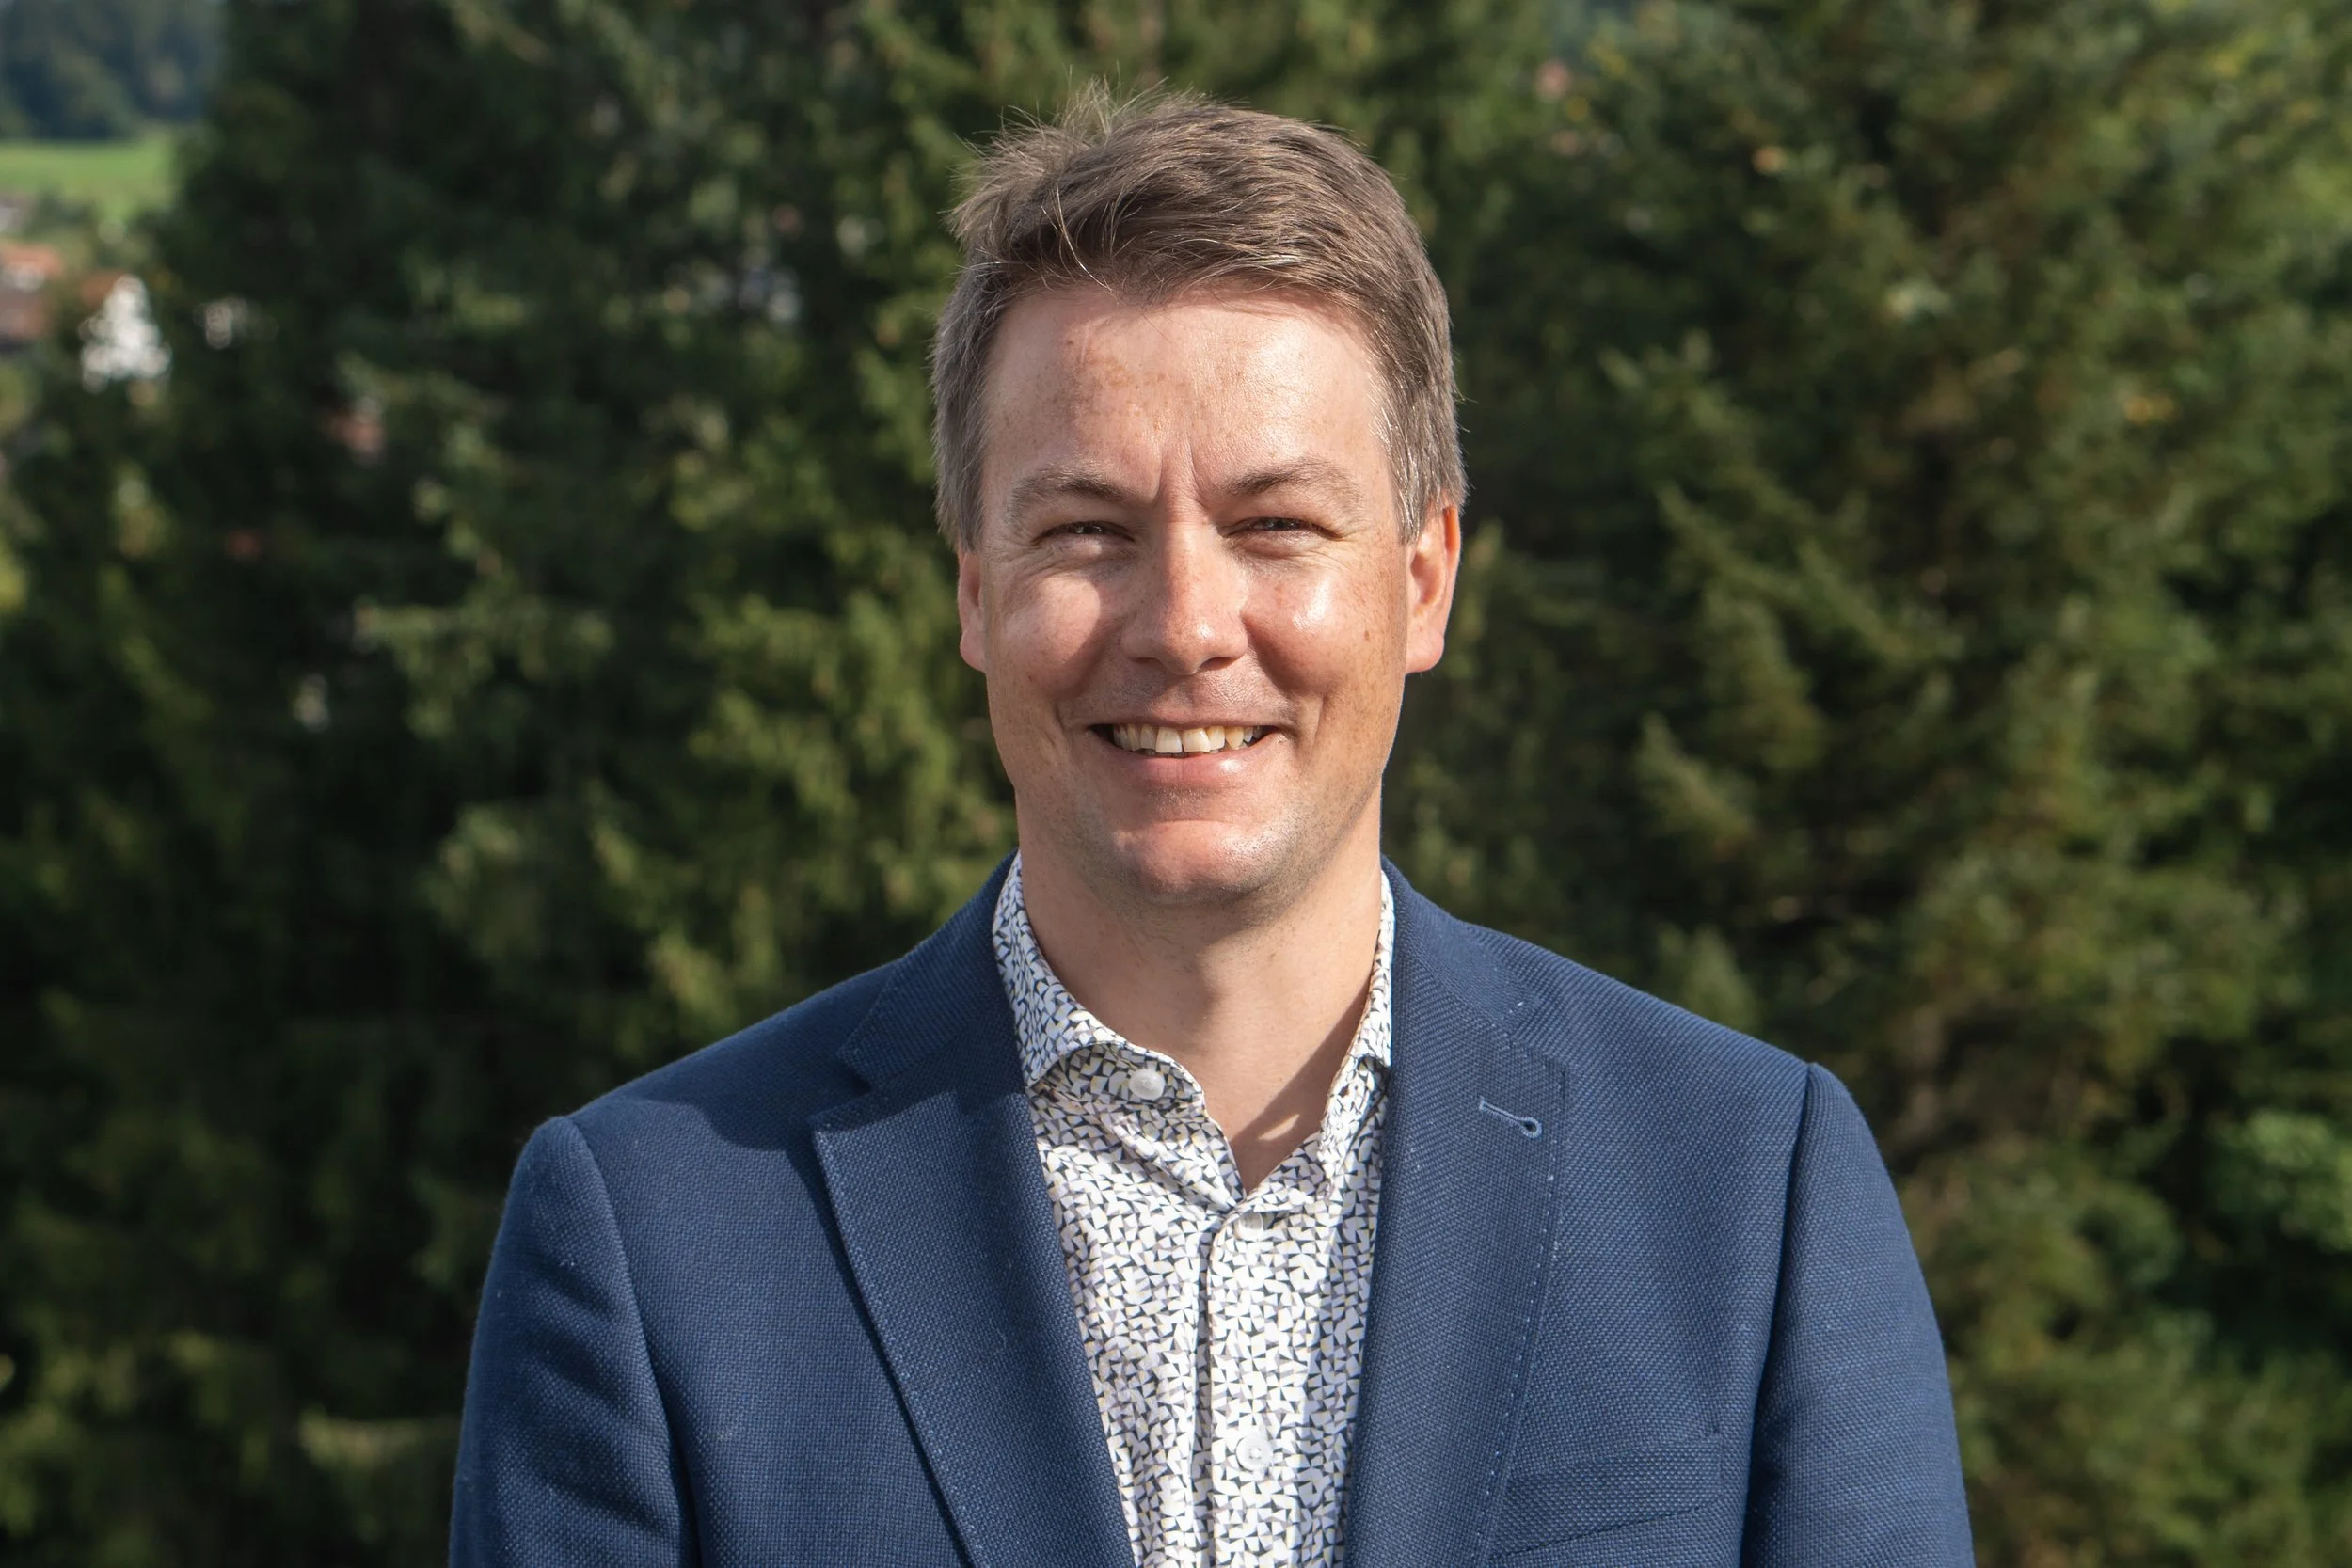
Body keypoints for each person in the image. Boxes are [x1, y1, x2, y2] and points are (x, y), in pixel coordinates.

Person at [449, 88, 1974, 1568]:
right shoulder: (658, 1241)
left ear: (1425, 577)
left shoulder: (1744, 1195)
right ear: (975, 589)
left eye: (1275, 527)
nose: (1183, 624)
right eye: (1085, 531)